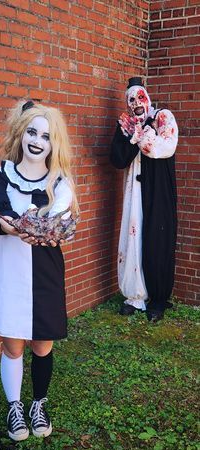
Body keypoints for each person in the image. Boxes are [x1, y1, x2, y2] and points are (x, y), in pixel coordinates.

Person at [0, 100, 79, 441]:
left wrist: (41, 223)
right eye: (32, 132)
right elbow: (2, 210)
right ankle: (15, 406)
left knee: (42, 345)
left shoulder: (61, 182)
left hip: (46, 273)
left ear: (55, 142)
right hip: (12, 269)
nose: (38, 141)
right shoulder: (0, 176)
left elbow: (59, 215)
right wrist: (9, 223)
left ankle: (38, 402)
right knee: (13, 346)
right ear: (21, 133)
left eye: (46, 135)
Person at [110, 77, 178, 322]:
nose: (136, 102)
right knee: (133, 236)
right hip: (134, 191)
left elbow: (167, 147)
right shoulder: (126, 125)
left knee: (157, 238)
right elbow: (117, 159)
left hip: (157, 190)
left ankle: (158, 299)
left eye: (140, 97)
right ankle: (135, 295)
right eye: (131, 99)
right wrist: (132, 136)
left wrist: (145, 138)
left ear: (147, 98)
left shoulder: (162, 117)